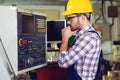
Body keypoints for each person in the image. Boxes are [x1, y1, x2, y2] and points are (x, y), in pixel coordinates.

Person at [57, 0, 101, 80]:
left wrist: (65, 39)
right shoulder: (82, 35)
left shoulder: (88, 38)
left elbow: (62, 62)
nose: (68, 22)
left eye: (70, 18)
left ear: (83, 18)